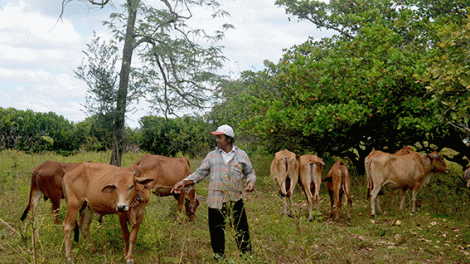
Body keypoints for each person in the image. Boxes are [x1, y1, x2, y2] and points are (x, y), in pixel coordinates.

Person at [171, 124, 256, 260]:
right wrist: (184, 182)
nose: (217, 140)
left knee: (242, 233)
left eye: (219, 137)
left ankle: (246, 259)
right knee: (216, 236)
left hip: (236, 201)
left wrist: (250, 182)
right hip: (215, 203)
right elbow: (200, 173)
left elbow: (250, 172)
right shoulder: (211, 156)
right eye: (216, 137)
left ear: (228, 139)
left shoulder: (241, 155)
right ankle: (220, 260)